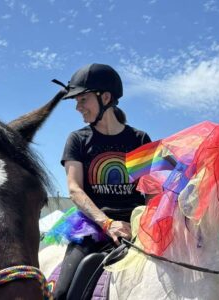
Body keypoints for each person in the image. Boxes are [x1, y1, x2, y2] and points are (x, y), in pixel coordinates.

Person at [52, 63, 152, 300]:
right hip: (95, 225)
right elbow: (75, 190)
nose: (78, 107)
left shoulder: (138, 139)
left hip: (136, 226)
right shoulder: (78, 139)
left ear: (105, 97)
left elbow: (150, 192)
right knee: (63, 293)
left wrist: (142, 225)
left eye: (82, 99)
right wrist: (107, 223)